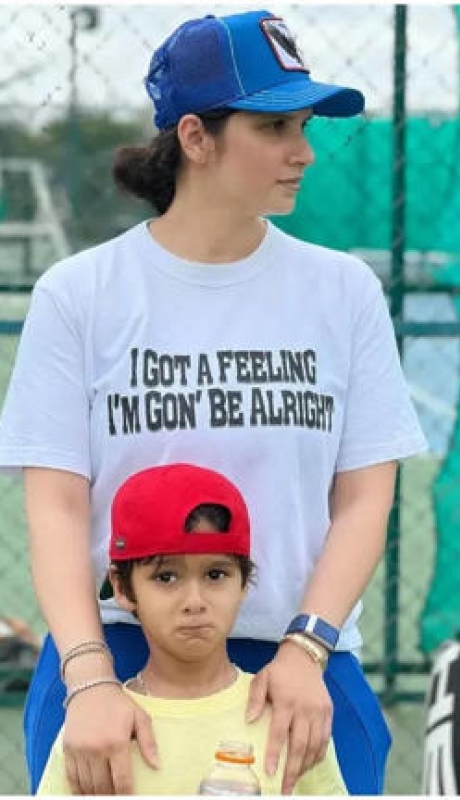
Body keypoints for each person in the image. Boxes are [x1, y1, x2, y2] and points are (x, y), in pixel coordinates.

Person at [0, 9, 428, 795]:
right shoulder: (82, 294)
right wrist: (89, 677)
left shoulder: (342, 291)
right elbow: (57, 505)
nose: (302, 152)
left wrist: (308, 649)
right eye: (273, 128)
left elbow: (366, 495)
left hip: (296, 665)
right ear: (195, 137)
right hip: (119, 659)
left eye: (303, 127)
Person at [38, 463, 347, 795]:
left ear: (244, 582)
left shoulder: (286, 717)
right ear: (123, 589)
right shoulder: (98, 730)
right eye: (166, 577)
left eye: (215, 575)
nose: (195, 601)